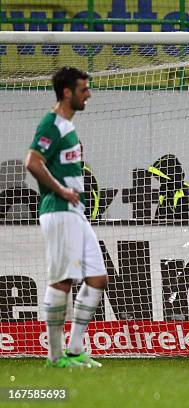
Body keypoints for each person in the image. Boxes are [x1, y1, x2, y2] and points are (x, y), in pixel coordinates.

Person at [25, 66, 106, 368]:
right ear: (68, 93)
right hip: (58, 211)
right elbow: (32, 161)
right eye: (84, 89)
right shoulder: (52, 124)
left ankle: (75, 349)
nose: (89, 94)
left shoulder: (68, 126)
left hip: (75, 213)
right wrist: (60, 189)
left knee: (97, 276)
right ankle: (55, 356)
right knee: (62, 280)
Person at [148, 154, 189, 220]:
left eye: (160, 178)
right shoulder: (166, 193)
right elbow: (158, 219)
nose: (159, 180)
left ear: (168, 176)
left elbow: (185, 223)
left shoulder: (184, 193)